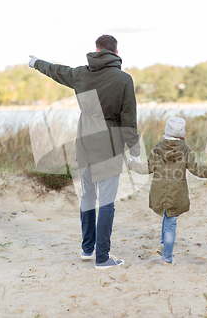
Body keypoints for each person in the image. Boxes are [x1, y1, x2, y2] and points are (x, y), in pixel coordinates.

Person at [28, 35, 140, 270]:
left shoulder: (81, 74)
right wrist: (135, 152)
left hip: (84, 144)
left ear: (97, 50)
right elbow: (129, 118)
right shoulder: (123, 79)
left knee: (88, 196)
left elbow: (57, 71)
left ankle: (87, 249)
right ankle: (102, 257)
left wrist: (36, 62)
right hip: (109, 144)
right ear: (116, 53)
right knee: (107, 202)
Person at [129, 117, 207, 265]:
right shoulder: (185, 150)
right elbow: (197, 170)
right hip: (177, 193)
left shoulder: (157, 147)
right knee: (171, 223)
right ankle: (167, 258)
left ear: (167, 130)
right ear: (181, 133)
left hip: (159, 191)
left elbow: (147, 168)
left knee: (166, 217)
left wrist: (132, 164)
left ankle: (164, 244)